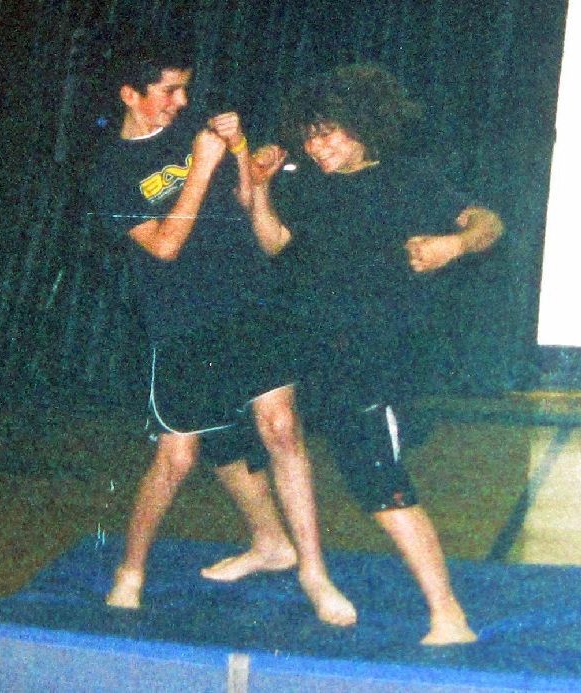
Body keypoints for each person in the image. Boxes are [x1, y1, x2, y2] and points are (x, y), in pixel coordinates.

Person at [202, 63, 504, 645]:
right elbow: (278, 244)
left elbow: (489, 222)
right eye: (311, 137)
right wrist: (259, 190)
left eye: (331, 134)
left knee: (378, 483)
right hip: (301, 339)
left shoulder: (408, 179)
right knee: (230, 435)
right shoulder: (307, 183)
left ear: (364, 126)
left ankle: (449, 615)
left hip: (368, 357)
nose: (318, 148)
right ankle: (279, 550)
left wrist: (456, 244)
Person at [91, 42, 356, 627]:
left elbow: (240, 199)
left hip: (249, 300)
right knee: (179, 457)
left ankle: (314, 572)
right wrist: (203, 166)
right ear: (130, 95)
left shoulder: (194, 133)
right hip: (184, 320)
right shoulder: (110, 174)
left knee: (281, 428)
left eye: (184, 88)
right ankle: (130, 571)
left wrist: (241, 154)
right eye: (168, 90)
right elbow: (165, 245)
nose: (181, 101)